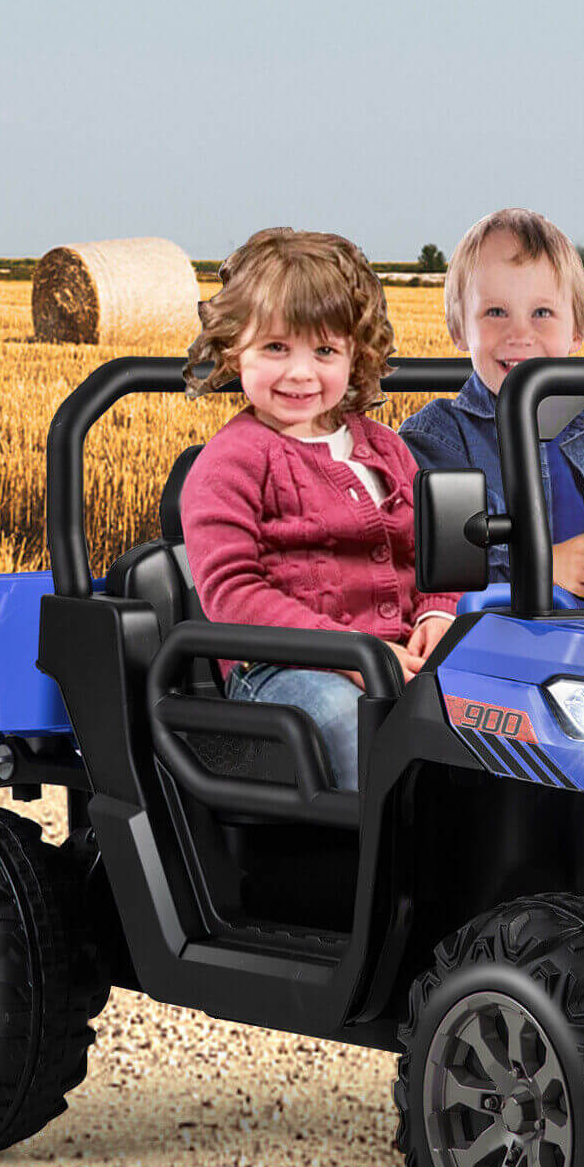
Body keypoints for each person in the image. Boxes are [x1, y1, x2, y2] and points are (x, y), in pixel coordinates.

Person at [180, 228, 460, 790]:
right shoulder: (230, 462)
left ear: (357, 355)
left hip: (401, 653)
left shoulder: (386, 447)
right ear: (236, 348)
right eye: (277, 347)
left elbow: (432, 548)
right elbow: (233, 593)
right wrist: (349, 654)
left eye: (325, 351)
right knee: (355, 729)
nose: (301, 373)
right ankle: (387, 874)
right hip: (284, 668)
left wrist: (436, 611)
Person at [399, 207, 584, 596]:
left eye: (542, 312)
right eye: (496, 312)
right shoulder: (439, 435)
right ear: (459, 329)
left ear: (577, 330)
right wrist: (543, 565)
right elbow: (453, 561)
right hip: (505, 639)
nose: (520, 334)